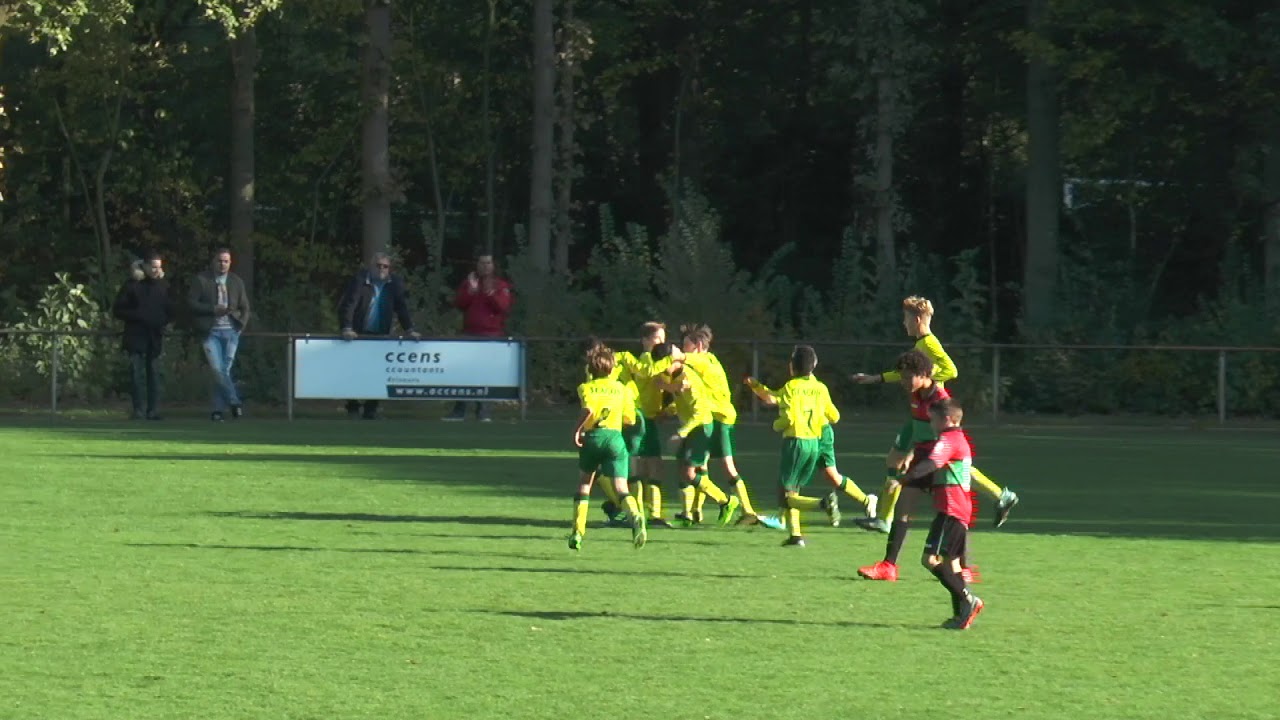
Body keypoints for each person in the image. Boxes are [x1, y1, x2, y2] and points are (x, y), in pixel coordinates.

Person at [851, 295, 1018, 531]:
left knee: (948, 464)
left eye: (906, 318)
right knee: (896, 461)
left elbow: (951, 370)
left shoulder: (929, 343)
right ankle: (884, 519)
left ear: (917, 319)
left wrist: (928, 377)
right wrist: (875, 378)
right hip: (918, 411)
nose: (904, 323)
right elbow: (907, 373)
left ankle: (1001, 495)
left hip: (930, 413)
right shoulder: (921, 344)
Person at [897, 397, 984, 629]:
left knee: (929, 560)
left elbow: (932, 463)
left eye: (933, 419)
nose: (931, 424)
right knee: (952, 564)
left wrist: (905, 479)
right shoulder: (959, 439)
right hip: (958, 508)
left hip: (951, 509)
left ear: (946, 419)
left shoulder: (949, 439)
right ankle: (961, 616)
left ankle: (969, 600)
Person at [746, 375, 877, 526]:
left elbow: (773, 400)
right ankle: (788, 524)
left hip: (812, 434)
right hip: (819, 433)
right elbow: (834, 416)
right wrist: (756, 386)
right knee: (815, 480)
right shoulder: (809, 386)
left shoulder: (798, 386)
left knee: (806, 480)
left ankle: (787, 520)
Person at [569, 343, 646, 550]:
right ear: (612, 368)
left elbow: (588, 410)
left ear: (590, 368)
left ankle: (577, 532)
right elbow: (630, 419)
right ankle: (635, 515)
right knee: (621, 488)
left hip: (593, 437)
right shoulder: (622, 389)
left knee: (585, 484)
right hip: (615, 439)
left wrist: (576, 430)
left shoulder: (585, 388)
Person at [656, 346, 740, 526]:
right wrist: (667, 411)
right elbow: (681, 401)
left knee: (688, 472)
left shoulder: (688, 380)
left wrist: (681, 433)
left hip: (701, 428)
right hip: (691, 427)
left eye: (665, 364)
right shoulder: (675, 377)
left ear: (674, 360)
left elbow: (700, 413)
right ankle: (687, 515)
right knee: (682, 470)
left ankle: (725, 501)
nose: (662, 369)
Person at [769, 345, 842, 547]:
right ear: (814, 365)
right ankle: (796, 535)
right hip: (813, 443)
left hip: (795, 442)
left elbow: (789, 418)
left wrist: (776, 425)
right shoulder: (820, 388)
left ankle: (823, 503)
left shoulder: (790, 387)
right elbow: (835, 416)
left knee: (784, 496)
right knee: (794, 490)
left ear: (792, 366)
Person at [337, 252, 421, 419]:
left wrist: (409, 329)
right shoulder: (360, 280)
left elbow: (401, 307)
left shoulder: (394, 283)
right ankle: (352, 407)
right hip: (358, 333)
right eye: (378, 265)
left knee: (378, 373)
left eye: (385, 266)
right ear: (371, 266)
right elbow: (349, 304)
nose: (382, 269)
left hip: (380, 334)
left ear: (389, 268)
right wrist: (347, 328)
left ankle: (371, 409)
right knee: (354, 370)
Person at [445, 253, 513, 422]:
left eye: (488, 263)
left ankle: (484, 412)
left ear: (493, 265)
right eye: (482, 263)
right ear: (477, 265)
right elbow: (459, 303)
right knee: (464, 372)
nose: (485, 266)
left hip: (491, 335)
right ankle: (459, 411)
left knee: (486, 373)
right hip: (469, 334)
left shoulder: (500, 285)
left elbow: (503, 307)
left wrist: (490, 293)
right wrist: (471, 291)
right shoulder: (469, 283)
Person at [188, 248, 251, 422]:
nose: (222, 264)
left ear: (230, 263)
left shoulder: (236, 282)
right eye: (219, 261)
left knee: (224, 371)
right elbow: (191, 303)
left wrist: (240, 326)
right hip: (211, 332)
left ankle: (217, 411)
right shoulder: (202, 280)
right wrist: (212, 309)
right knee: (217, 370)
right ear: (213, 262)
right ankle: (235, 402)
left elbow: (245, 307)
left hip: (231, 332)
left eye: (226, 261)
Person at [112, 253, 173, 420]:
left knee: (154, 373)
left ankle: (153, 410)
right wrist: (139, 315)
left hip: (154, 335)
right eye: (153, 266)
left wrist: (163, 321)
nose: (156, 270)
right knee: (135, 373)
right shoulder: (132, 285)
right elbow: (118, 309)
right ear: (145, 266)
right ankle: (138, 409)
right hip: (135, 335)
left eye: (159, 267)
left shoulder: (163, 286)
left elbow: (170, 308)